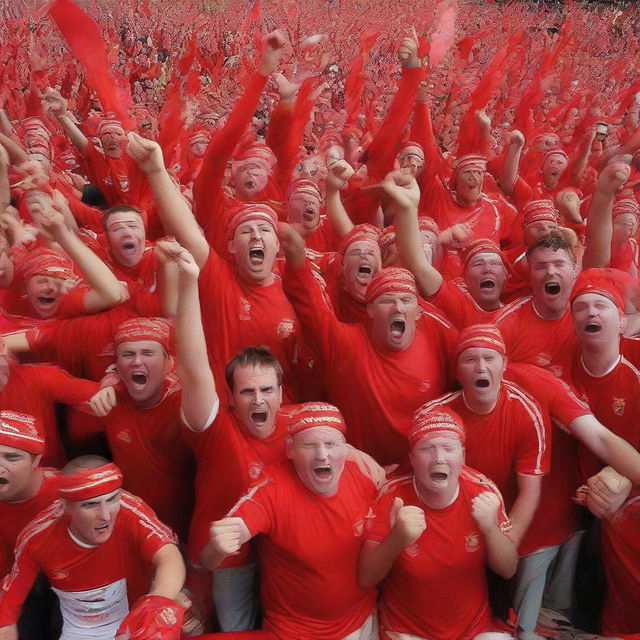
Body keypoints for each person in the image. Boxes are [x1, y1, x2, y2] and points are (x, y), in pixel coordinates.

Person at [205, 404, 378, 640]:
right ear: (290, 450)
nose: (322, 455)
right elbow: (212, 556)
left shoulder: (365, 474)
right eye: (309, 445)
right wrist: (217, 547)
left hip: (364, 623)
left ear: (345, 450)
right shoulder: (271, 490)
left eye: (331, 444)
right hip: (296, 633)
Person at [359, 409, 518, 640]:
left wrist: (490, 529)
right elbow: (367, 577)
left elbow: (508, 569)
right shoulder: (392, 496)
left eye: (448, 448)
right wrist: (397, 538)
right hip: (406, 629)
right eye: (427, 448)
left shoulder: (482, 490)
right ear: (412, 458)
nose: (439, 458)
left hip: (476, 628)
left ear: (462, 456)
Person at [0, 456, 185, 640]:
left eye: (112, 499)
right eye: (91, 504)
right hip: (77, 632)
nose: (105, 515)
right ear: (66, 507)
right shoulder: (37, 537)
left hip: (133, 624)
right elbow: (7, 608)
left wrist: (153, 606)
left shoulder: (131, 510)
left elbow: (169, 556)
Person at [418, 324, 546, 548]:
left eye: (489, 358)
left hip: (501, 518)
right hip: (448, 523)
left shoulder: (525, 411)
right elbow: (419, 481)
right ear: (457, 371)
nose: (480, 367)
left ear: (504, 365)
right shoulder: (434, 414)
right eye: (469, 360)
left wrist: (507, 544)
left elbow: (530, 490)